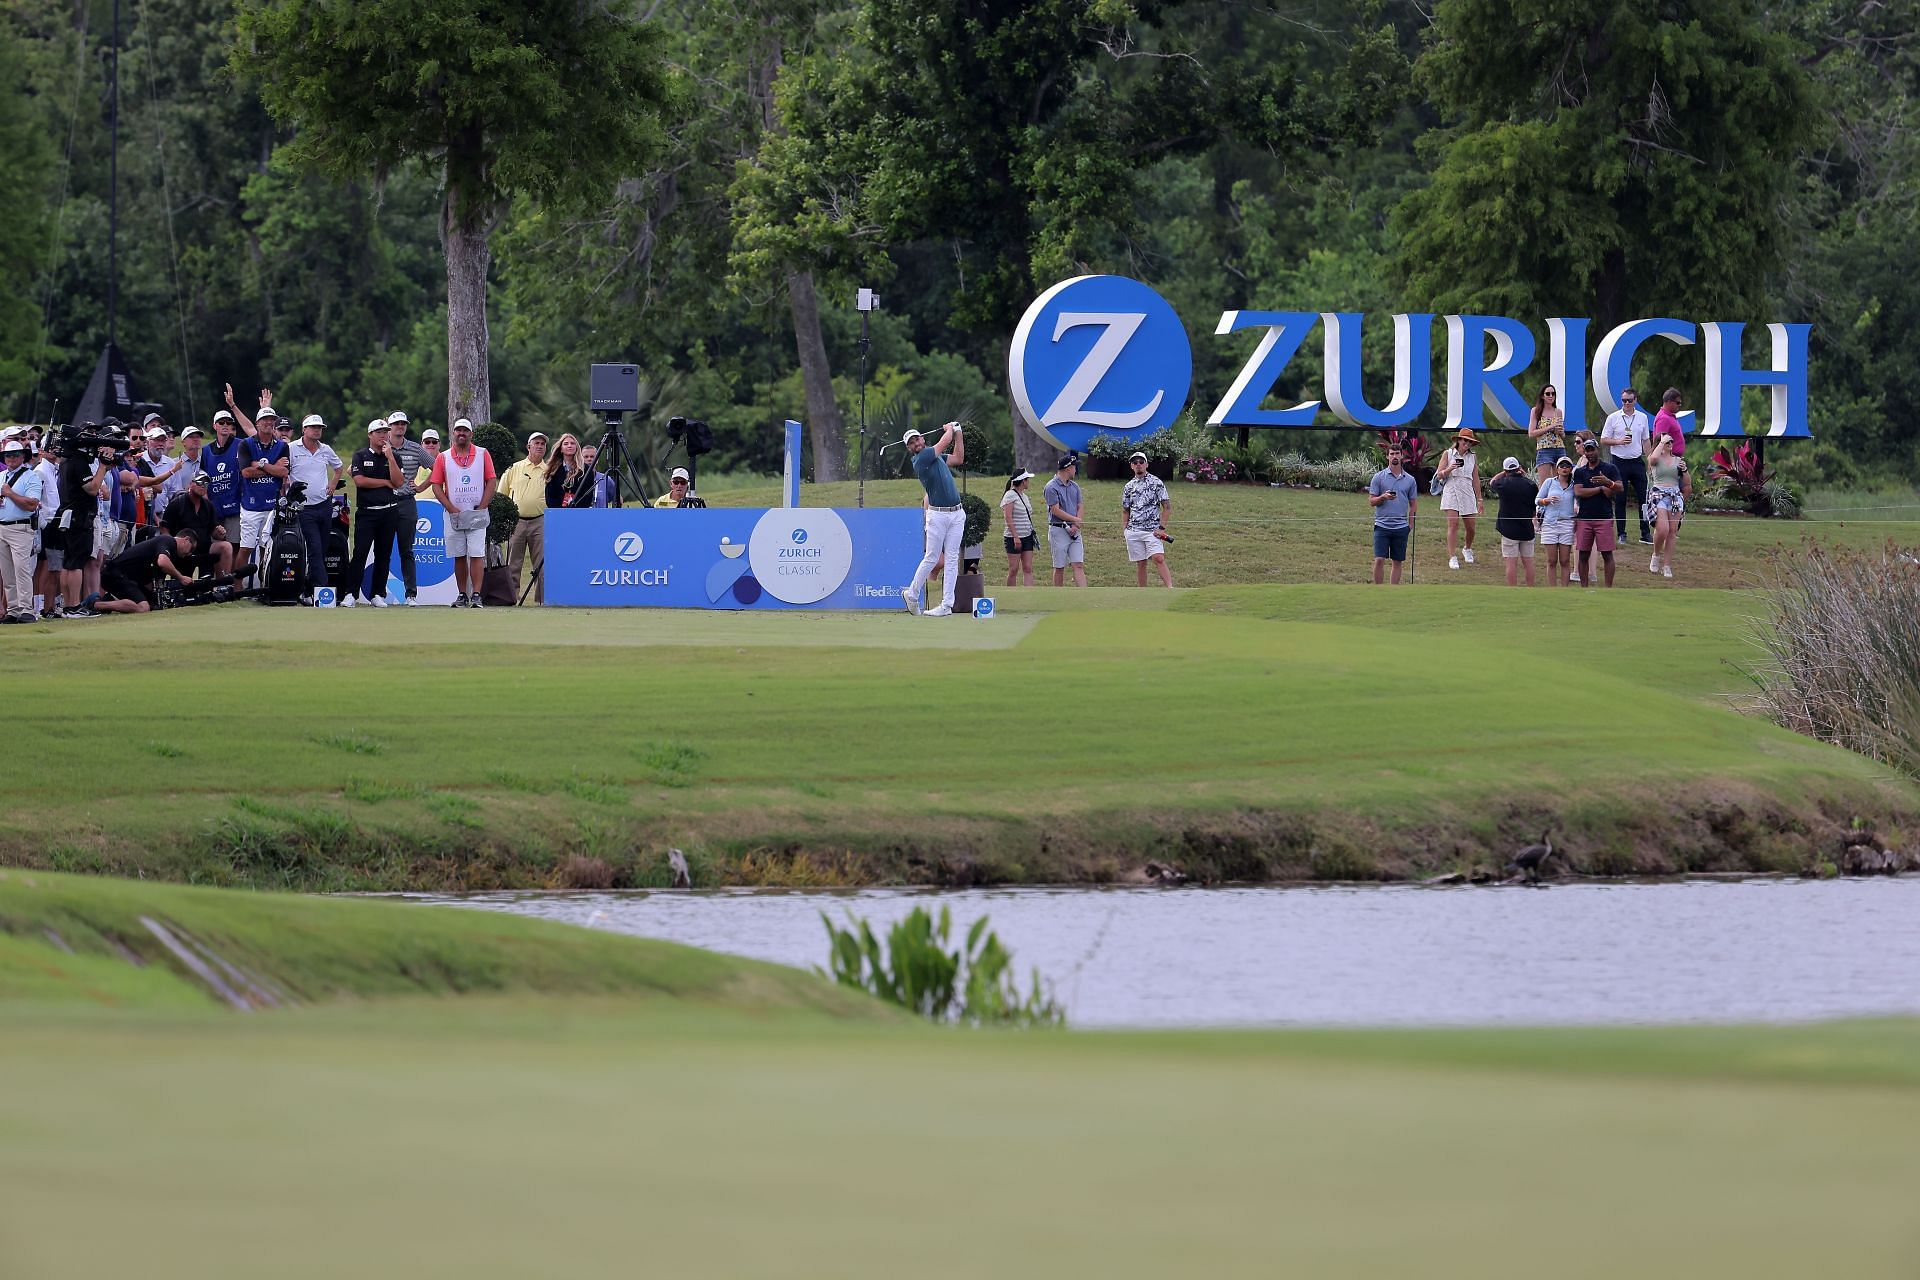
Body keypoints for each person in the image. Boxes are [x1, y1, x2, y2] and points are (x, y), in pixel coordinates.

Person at [900, 421, 965, 616]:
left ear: (922, 438)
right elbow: (944, 442)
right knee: (932, 557)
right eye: (911, 443)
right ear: (909, 448)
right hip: (937, 515)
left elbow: (958, 458)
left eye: (917, 439)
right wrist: (950, 430)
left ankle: (946, 605)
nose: (916, 443)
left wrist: (959, 434)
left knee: (952, 559)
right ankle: (912, 594)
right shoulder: (921, 459)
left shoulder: (935, 458)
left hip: (957, 513)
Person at [430, 418, 497, 608]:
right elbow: (436, 485)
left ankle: (476, 594)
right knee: (459, 555)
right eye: (458, 430)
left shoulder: (483, 454)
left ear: (471, 434)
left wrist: (483, 506)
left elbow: (491, 481)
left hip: (477, 512)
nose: (461, 433)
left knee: (476, 554)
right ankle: (462, 594)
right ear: (453, 433)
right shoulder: (443, 457)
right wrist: (451, 508)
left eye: (465, 431)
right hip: (454, 515)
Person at [341, 419, 404, 608]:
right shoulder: (360, 456)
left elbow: (399, 482)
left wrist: (391, 457)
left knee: (383, 555)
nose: (383, 435)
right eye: (378, 432)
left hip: (389, 512)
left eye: (385, 432)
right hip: (367, 513)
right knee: (360, 553)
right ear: (370, 435)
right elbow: (359, 481)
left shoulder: (393, 457)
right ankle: (351, 594)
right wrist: (384, 483)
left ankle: (378, 594)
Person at [286, 414, 342, 602]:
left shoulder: (325, 449)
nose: (317, 430)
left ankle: (307, 590)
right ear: (304, 429)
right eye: (313, 427)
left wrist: (333, 483)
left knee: (321, 550)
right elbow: (284, 473)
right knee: (315, 549)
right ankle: (322, 592)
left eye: (319, 427)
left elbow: (339, 467)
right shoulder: (292, 448)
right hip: (303, 508)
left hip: (323, 506)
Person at [235, 410, 291, 586]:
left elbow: (283, 472)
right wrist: (271, 467)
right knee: (246, 548)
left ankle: (264, 586)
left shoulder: (282, 446)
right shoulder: (246, 444)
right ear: (257, 423)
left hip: (272, 506)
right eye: (264, 420)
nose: (268, 422)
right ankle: (236, 588)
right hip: (251, 506)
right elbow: (246, 472)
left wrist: (260, 464)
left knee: (266, 549)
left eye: (271, 420)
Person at [90, 529, 197, 614]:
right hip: (116, 573)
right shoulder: (168, 541)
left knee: (151, 603)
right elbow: (162, 562)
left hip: (123, 575)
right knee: (143, 607)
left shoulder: (168, 549)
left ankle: (109, 600)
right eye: (191, 549)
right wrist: (181, 578)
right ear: (186, 539)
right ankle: (96, 605)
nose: (189, 554)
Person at [56, 431, 104, 618]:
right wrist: (103, 467)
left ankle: (69, 606)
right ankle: (74, 606)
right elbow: (92, 489)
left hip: (68, 516)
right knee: (76, 562)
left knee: (68, 563)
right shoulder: (79, 462)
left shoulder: (66, 462)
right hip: (79, 517)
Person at [498, 431, 549, 603]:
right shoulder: (514, 468)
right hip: (516, 521)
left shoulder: (549, 470)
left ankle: (542, 600)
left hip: (540, 520)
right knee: (513, 563)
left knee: (541, 564)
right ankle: (512, 598)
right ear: (528, 446)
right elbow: (502, 494)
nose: (540, 446)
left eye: (543, 444)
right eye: (536, 443)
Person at [386, 410, 430, 605]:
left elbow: (437, 468)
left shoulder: (415, 448)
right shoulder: (381, 446)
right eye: (397, 424)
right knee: (383, 549)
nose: (400, 427)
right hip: (385, 502)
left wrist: (421, 487)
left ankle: (411, 595)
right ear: (389, 426)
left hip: (406, 502)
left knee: (407, 550)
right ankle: (378, 593)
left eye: (403, 424)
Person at [1598, 386, 1652, 544]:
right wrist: (1618, 441)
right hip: (1619, 462)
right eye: (1624, 400)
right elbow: (1603, 439)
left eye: (1629, 400)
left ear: (1635, 400)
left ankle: (1645, 532)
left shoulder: (1642, 417)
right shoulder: (1613, 417)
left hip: (1636, 461)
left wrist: (1650, 459)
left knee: (1644, 498)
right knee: (1620, 498)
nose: (1626, 403)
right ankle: (1622, 533)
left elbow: (1646, 440)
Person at [0, 436, 43, 623]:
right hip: (2, 527)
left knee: (22, 569)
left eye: (16, 454)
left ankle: (26, 609)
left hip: (21, 527)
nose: (11, 458)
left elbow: (32, 504)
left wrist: (9, 493)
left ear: (23, 456)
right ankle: (13, 609)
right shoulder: (1, 476)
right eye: (8, 455)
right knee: (7, 572)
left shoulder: (31, 476)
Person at [161, 472, 233, 579]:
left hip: (204, 549)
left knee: (226, 546)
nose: (203, 486)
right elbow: (164, 528)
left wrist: (219, 533)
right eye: (199, 482)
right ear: (190, 484)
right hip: (183, 552)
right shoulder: (177, 504)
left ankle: (223, 586)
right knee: (184, 588)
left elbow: (214, 532)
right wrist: (173, 546)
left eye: (206, 484)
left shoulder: (209, 506)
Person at [1572, 438, 1623, 587]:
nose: (1590, 453)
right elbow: (1578, 491)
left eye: (1592, 449)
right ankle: (1584, 587)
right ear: (1585, 452)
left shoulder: (1610, 468)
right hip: (1584, 518)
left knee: (1607, 553)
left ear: (1597, 449)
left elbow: (1619, 488)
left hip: (1604, 517)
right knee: (1583, 553)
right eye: (1587, 450)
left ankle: (1608, 588)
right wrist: (1600, 488)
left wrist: (1608, 482)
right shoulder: (1581, 472)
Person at [1120, 451, 1173, 587]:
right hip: (1133, 531)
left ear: (1146, 464)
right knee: (1141, 563)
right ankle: (1143, 592)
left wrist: (1161, 528)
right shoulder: (1128, 486)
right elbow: (1126, 510)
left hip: (1152, 531)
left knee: (1158, 558)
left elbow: (1166, 507)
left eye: (1141, 462)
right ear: (1132, 466)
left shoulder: (1157, 483)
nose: (1138, 465)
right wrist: (1125, 530)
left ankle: (1170, 588)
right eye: (1135, 462)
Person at [1367, 444, 1417, 584]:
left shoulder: (1410, 480)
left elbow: (1413, 504)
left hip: (1401, 527)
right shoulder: (1379, 477)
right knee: (1379, 559)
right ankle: (1378, 591)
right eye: (1392, 454)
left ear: (1402, 456)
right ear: (1387, 456)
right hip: (1382, 526)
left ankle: (1392, 592)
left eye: (1397, 453)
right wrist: (1383, 497)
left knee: (1397, 561)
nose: (1394, 456)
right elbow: (1371, 501)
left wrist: (1410, 524)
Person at [1644, 433, 1690, 579]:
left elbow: (1687, 482)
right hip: (1659, 494)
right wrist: (1661, 443)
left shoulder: (1678, 460)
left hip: (1675, 496)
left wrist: (1685, 470)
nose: (1670, 443)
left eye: (1671, 441)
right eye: (1667, 441)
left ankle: (1667, 565)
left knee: (1672, 531)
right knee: (1662, 529)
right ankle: (1656, 554)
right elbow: (1652, 459)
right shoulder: (1655, 457)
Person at [1488, 456, 1538, 587]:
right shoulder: (1531, 485)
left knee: (1511, 563)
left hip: (1509, 530)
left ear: (1506, 471)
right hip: (1527, 529)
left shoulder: (1503, 483)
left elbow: (1492, 482)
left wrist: (1503, 473)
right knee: (1528, 563)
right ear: (1519, 468)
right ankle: (1531, 589)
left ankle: (1512, 590)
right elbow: (1534, 510)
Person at [1435, 428, 1481, 570]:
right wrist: (1450, 468)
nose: (1467, 443)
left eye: (1470, 441)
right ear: (1459, 441)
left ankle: (1467, 548)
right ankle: (1452, 557)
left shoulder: (1472, 457)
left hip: (1467, 489)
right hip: (1452, 488)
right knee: (1453, 524)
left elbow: (1475, 479)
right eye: (1465, 440)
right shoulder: (1448, 454)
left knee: (1471, 527)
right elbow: (1439, 475)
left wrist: (1480, 499)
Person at [201, 409, 247, 550]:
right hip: (215, 508)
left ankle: (233, 573)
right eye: (221, 422)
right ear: (215, 426)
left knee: (235, 546)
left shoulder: (241, 445)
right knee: (217, 547)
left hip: (235, 507)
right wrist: (207, 503)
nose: (225, 425)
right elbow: (203, 479)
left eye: (228, 422)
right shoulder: (206, 450)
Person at [32, 433, 63, 617]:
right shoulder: (40, 471)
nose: (54, 449)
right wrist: (44, 525)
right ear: (42, 450)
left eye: (56, 446)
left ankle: (50, 606)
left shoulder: (54, 469)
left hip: (56, 524)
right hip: (46, 526)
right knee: (44, 567)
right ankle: (40, 606)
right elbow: (37, 502)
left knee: (54, 568)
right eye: (50, 446)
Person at [1043, 454, 1085, 588]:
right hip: (1058, 530)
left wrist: (1076, 524)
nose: (1076, 470)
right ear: (1068, 468)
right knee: (1059, 566)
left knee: (1078, 564)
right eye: (1074, 467)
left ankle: (1085, 596)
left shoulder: (1075, 486)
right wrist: (1075, 520)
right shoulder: (1051, 487)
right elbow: (1055, 510)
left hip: (1075, 530)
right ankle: (1058, 596)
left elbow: (1080, 505)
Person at [1535, 455, 1576, 588]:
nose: (1564, 468)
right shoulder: (1549, 482)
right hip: (1550, 523)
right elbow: (1537, 500)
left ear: (1571, 469)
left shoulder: (1574, 485)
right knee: (1551, 560)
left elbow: (1578, 501)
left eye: (1567, 466)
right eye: (1561, 466)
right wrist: (1546, 501)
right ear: (1557, 469)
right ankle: (1552, 589)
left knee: (1565, 560)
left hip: (1567, 523)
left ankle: (1564, 589)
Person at [1001, 470, 1037, 586]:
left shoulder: (1024, 496)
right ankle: (1011, 592)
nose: (1029, 482)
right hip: (1013, 537)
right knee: (1013, 569)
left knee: (1028, 567)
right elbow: (1008, 516)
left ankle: (1028, 593)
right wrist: (1016, 537)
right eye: (1027, 480)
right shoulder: (1010, 495)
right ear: (1023, 481)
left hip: (1027, 535)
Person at [1527, 384, 1565, 483]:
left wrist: (1561, 432)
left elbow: (1562, 435)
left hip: (1559, 448)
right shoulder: (1536, 411)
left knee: (1560, 482)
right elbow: (1531, 433)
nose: (1551, 396)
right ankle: (1542, 499)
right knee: (1544, 483)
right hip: (1544, 449)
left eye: (1553, 394)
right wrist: (1550, 426)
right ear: (1542, 396)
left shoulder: (1558, 412)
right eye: (1548, 394)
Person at [545, 433, 593, 510]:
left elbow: (588, 495)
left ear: (576, 447)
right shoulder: (553, 469)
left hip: (579, 513)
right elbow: (550, 496)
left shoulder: (586, 469)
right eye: (566, 444)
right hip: (558, 513)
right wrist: (560, 510)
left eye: (572, 443)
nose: (569, 446)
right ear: (561, 449)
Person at [1653, 387, 1687, 456]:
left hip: (1673, 459)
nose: (1679, 405)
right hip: (1668, 461)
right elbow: (1660, 444)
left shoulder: (1669, 416)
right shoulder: (1663, 418)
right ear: (1669, 402)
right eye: (1678, 403)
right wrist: (1670, 460)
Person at [414, 428, 442, 493]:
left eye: (434, 442)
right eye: (427, 442)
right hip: (417, 501)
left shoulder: (445, 460)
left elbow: (438, 470)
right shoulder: (416, 461)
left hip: (439, 502)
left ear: (439, 444)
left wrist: (420, 488)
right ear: (422, 444)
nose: (431, 444)